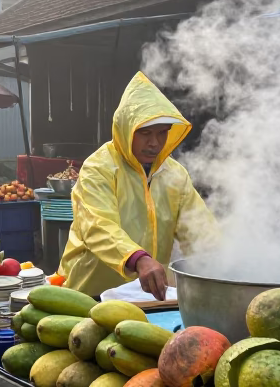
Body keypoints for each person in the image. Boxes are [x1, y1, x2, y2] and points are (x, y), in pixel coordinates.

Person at [58, 72, 217, 300]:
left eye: (162, 133)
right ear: (126, 130)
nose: (154, 143)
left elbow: (199, 229)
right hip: (89, 293)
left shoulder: (175, 174)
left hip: (147, 296)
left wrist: (221, 263)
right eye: (145, 133)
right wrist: (138, 258)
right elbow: (98, 226)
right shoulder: (99, 168)